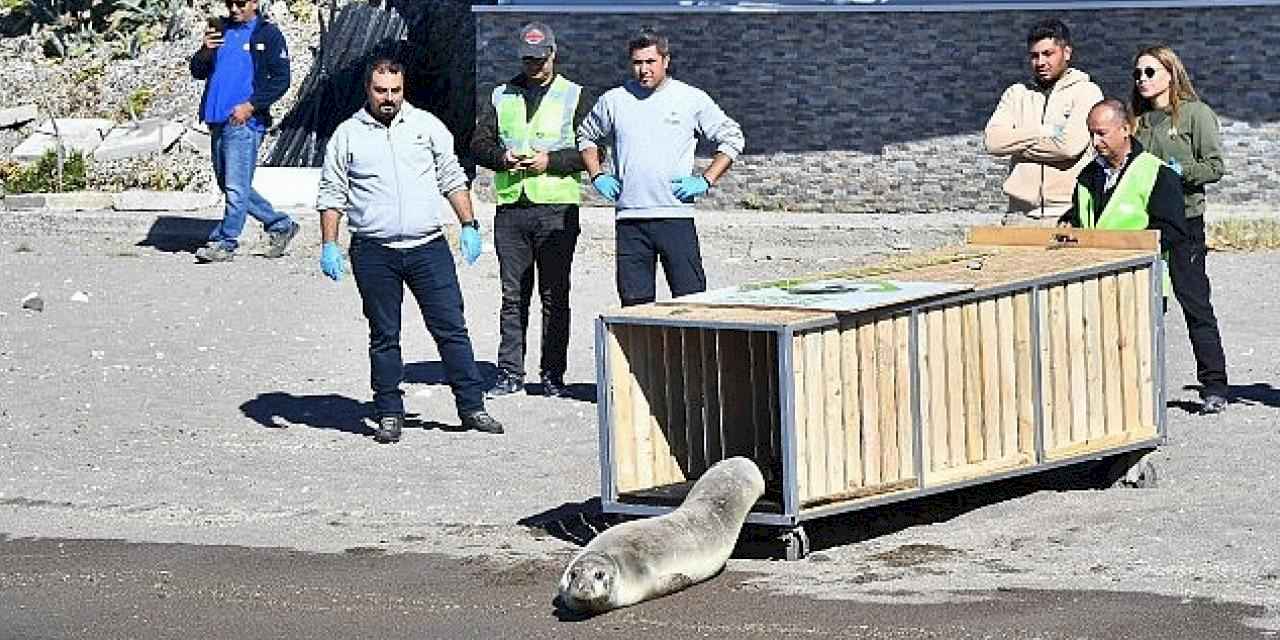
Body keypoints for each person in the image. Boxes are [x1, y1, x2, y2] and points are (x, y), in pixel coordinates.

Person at [315, 58, 504, 442]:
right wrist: (329, 243)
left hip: (427, 247)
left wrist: (468, 224)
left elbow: (452, 175)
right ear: (368, 89)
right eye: (381, 90)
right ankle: (388, 411)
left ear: (404, 88)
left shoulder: (426, 127)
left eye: (395, 90)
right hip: (374, 250)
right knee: (384, 334)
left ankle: (472, 407)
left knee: (451, 329)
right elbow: (332, 192)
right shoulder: (347, 135)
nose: (389, 98)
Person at [1059, 99, 1227, 414]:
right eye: (1091, 134)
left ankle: (1181, 395)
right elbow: (1085, 217)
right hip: (1096, 277)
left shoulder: (1155, 173)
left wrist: (1129, 244)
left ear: (1125, 130)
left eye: (1102, 134)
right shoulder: (1086, 176)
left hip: (1142, 276)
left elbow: (1172, 228)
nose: (1096, 142)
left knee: (1145, 341)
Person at [577, 28, 745, 307]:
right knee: (635, 307)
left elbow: (733, 137)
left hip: (674, 216)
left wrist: (706, 179)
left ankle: (690, 353)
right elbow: (586, 136)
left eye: (650, 62)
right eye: (637, 63)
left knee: (692, 302)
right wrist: (597, 175)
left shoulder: (690, 99)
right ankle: (644, 353)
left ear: (665, 61)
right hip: (630, 219)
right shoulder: (614, 100)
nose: (643, 70)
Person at [470, 23, 595, 399]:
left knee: (555, 296)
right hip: (512, 208)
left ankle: (553, 375)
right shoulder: (500, 95)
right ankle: (510, 373)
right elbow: (478, 143)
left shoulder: (575, 96)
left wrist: (551, 161)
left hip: (557, 208)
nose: (534, 66)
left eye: (540, 60)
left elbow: (592, 153)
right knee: (513, 296)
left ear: (553, 54)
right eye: (528, 59)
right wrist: (502, 158)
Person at [1130, 45, 1229, 413]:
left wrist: (1176, 174)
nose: (1142, 79)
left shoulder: (1196, 115)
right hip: (1145, 225)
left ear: (1171, 74)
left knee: (1194, 303)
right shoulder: (1136, 122)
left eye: (1150, 72)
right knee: (1146, 307)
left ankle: (1214, 385)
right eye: (1138, 73)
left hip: (1185, 223)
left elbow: (1215, 166)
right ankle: (1141, 389)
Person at [189, 0, 299, 263]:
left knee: (236, 188)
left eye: (240, 3)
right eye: (230, 3)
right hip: (217, 120)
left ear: (255, 2)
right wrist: (205, 51)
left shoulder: (268, 34)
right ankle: (280, 224)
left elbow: (281, 79)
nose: (234, 9)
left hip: (244, 123)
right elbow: (197, 71)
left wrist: (250, 106)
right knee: (230, 185)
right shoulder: (221, 30)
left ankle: (224, 241)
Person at [985, 18, 1103, 226]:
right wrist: (1044, 131)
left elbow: (1069, 147)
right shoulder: (1016, 93)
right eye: (1034, 56)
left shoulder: (1086, 92)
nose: (1040, 62)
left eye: (1048, 54)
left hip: (1066, 215)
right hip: (1019, 215)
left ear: (1066, 53)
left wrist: (1017, 144)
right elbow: (993, 142)